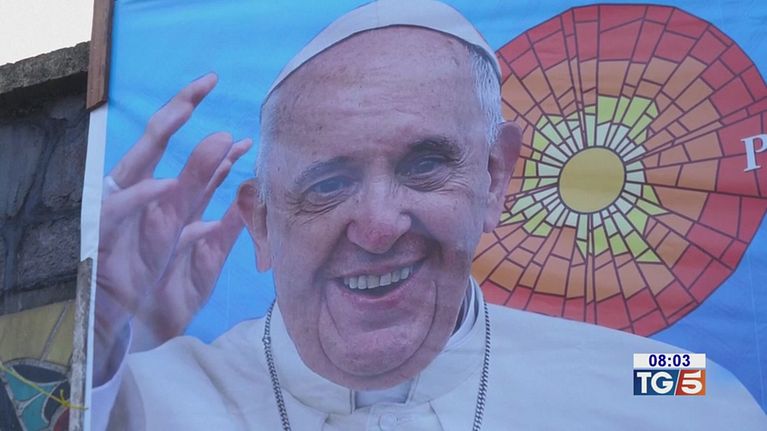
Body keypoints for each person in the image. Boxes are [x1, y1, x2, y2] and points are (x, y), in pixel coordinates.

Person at [91, 1, 767, 429]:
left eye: (423, 166)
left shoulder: (664, 383)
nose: (378, 225)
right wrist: (94, 336)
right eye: (328, 183)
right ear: (262, 223)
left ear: (494, 177)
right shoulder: (137, 396)